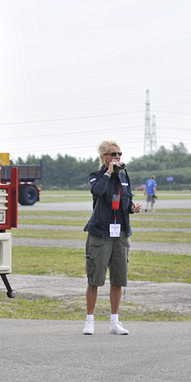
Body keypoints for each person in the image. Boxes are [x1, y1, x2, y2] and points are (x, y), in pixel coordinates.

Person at [82, 141, 141, 336]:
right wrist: (108, 173)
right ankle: (90, 321)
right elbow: (97, 192)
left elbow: (127, 201)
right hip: (100, 234)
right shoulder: (97, 177)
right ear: (103, 157)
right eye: (113, 154)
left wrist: (133, 208)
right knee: (95, 279)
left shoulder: (124, 178)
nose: (117, 157)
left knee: (118, 279)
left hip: (121, 234)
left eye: (120, 154)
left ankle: (115, 321)